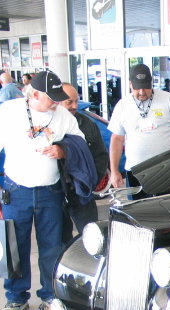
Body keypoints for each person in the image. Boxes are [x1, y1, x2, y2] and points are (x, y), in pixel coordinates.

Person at [0, 70, 86, 310]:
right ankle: (16, 297)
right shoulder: (8, 112)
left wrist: (62, 150)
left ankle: (50, 295)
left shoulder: (62, 114)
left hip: (51, 192)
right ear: (33, 94)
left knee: (51, 247)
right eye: (50, 97)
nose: (56, 102)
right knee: (16, 247)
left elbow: (79, 140)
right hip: (16, 191)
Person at [107, 64, 170, 198]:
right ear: (130, 84)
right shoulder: (123, 106)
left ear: (151, 83)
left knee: (166, 209)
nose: (142, 92)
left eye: (146, 87)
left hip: (166, 168)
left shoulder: (168, 99)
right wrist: (114, 170)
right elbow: (117, 139)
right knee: (139, 212)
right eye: (137, 88)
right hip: (135, 170)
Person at [59, 82, 109, 244]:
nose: (74, 106)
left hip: (82, 194)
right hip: (55, 195)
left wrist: (90, 181)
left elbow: (101, 155)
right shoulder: (48, 126)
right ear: (56, 101)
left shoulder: (88, 124)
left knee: (94, 239)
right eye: (69, 102)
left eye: (76, 101)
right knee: (59, 244)